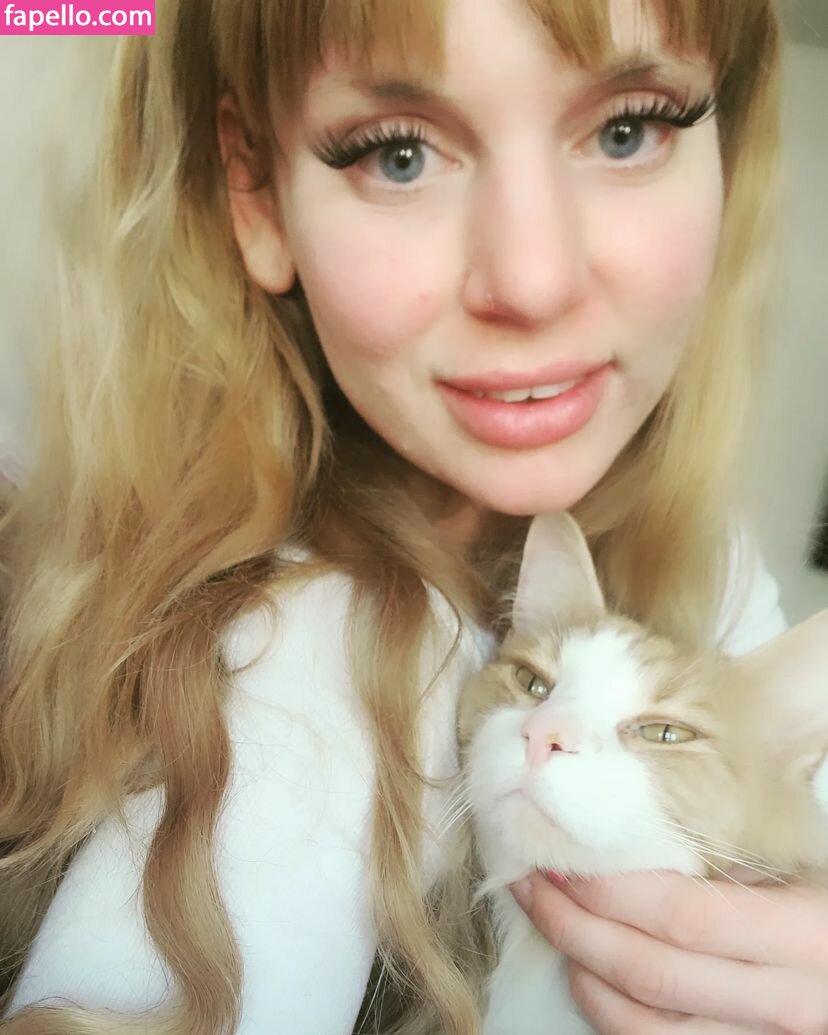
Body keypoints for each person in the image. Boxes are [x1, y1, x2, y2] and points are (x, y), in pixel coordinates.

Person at [2, 0, 826, 1033]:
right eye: (399, 154)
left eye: (628, 130)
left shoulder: (720, 570)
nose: (532, 281)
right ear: (255, 193)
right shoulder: (305, 657)